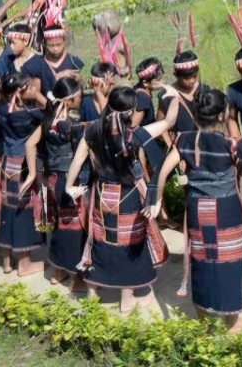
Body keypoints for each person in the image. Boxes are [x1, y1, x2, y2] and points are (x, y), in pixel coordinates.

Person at [146, 87, 242, 333]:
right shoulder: (233, 144)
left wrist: (155, 199)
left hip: (198, 210)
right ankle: (232, 323)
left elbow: (162, 171)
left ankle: (203, 318)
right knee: (228, 264)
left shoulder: (184, 140)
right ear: (223, 115)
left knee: (201, 261)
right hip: (225, 212)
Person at [65, 85, 179, 313]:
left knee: (100, 240)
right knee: (128, 244)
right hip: (127, 196)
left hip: (101, 194)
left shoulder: (92, 130)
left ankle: (93, 294)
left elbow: (78, 160)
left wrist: (69, 186)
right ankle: (126, 300)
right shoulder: (136, 134)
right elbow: (169, 122)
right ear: (131, 111)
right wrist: (173, 97)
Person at [0, 71, 47, 276]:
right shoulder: (28, 115)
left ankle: (7, 261)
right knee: (23, 212)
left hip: (7, 165)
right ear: (19, 91)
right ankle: (24, 265)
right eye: (29, 86)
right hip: (24, 167)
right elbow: (53, 112)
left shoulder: (0, 110)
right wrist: (38, 97)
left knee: (8, 209)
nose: (33, 88)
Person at [42, 76, 89, 292]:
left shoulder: (49, 120)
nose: (82, 99)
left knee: (61, 224)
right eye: (79, 96)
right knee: (74, 227)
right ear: (69, 100)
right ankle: (75, 275)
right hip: (67, 179)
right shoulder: (66, 125)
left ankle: (57, 270)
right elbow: (82, 138)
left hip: (53, 179)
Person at [21, 24, 84, 102]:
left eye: (59, 44)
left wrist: (79, 80)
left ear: (65, 42)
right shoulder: (32, 66)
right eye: (51, 45)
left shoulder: (75, 62)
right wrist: (56, 78)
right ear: (44, 43)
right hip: (43, 111)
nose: (55, 48)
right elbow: (23, 94)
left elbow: (85, 88)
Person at [161, 50, 206, 136]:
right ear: (176, 75)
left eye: (195, 76)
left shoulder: (204, 90)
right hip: (181, 146)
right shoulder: (167, 95)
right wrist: (171, 144)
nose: (192, 80)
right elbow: (161, 126)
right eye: (187, 78)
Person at [131, 57, 164, 128]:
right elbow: (133, 125)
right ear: (145, 83)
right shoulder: (143, 98)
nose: (162, 82)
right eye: (158, 80)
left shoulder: (138, 88)